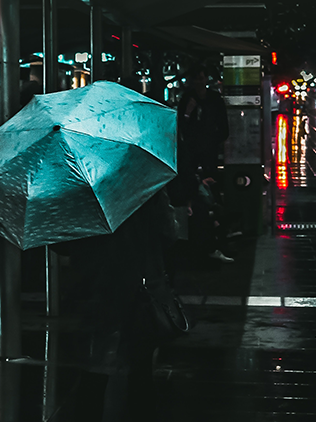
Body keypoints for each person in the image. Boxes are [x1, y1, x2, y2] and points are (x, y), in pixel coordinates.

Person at [56, 187, 177, 422]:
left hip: (98, 287)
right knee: (140, 372)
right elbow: (169, 233)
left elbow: (63, 244)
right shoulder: (146, 185)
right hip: (139, 288)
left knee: (94, 373)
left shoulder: (82, 189)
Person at [177, 64, 234, 263]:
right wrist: (188, 113)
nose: (199, 83)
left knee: (211, 193)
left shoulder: (214, 100)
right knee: (196, 193)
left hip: (208, 155)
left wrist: (211, 141)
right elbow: (181, 127)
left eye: (202, 78)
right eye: (196, 79)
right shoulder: (187, 99)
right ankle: (205, 236)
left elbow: (223, 128)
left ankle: (217, 232)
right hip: (192, 156)